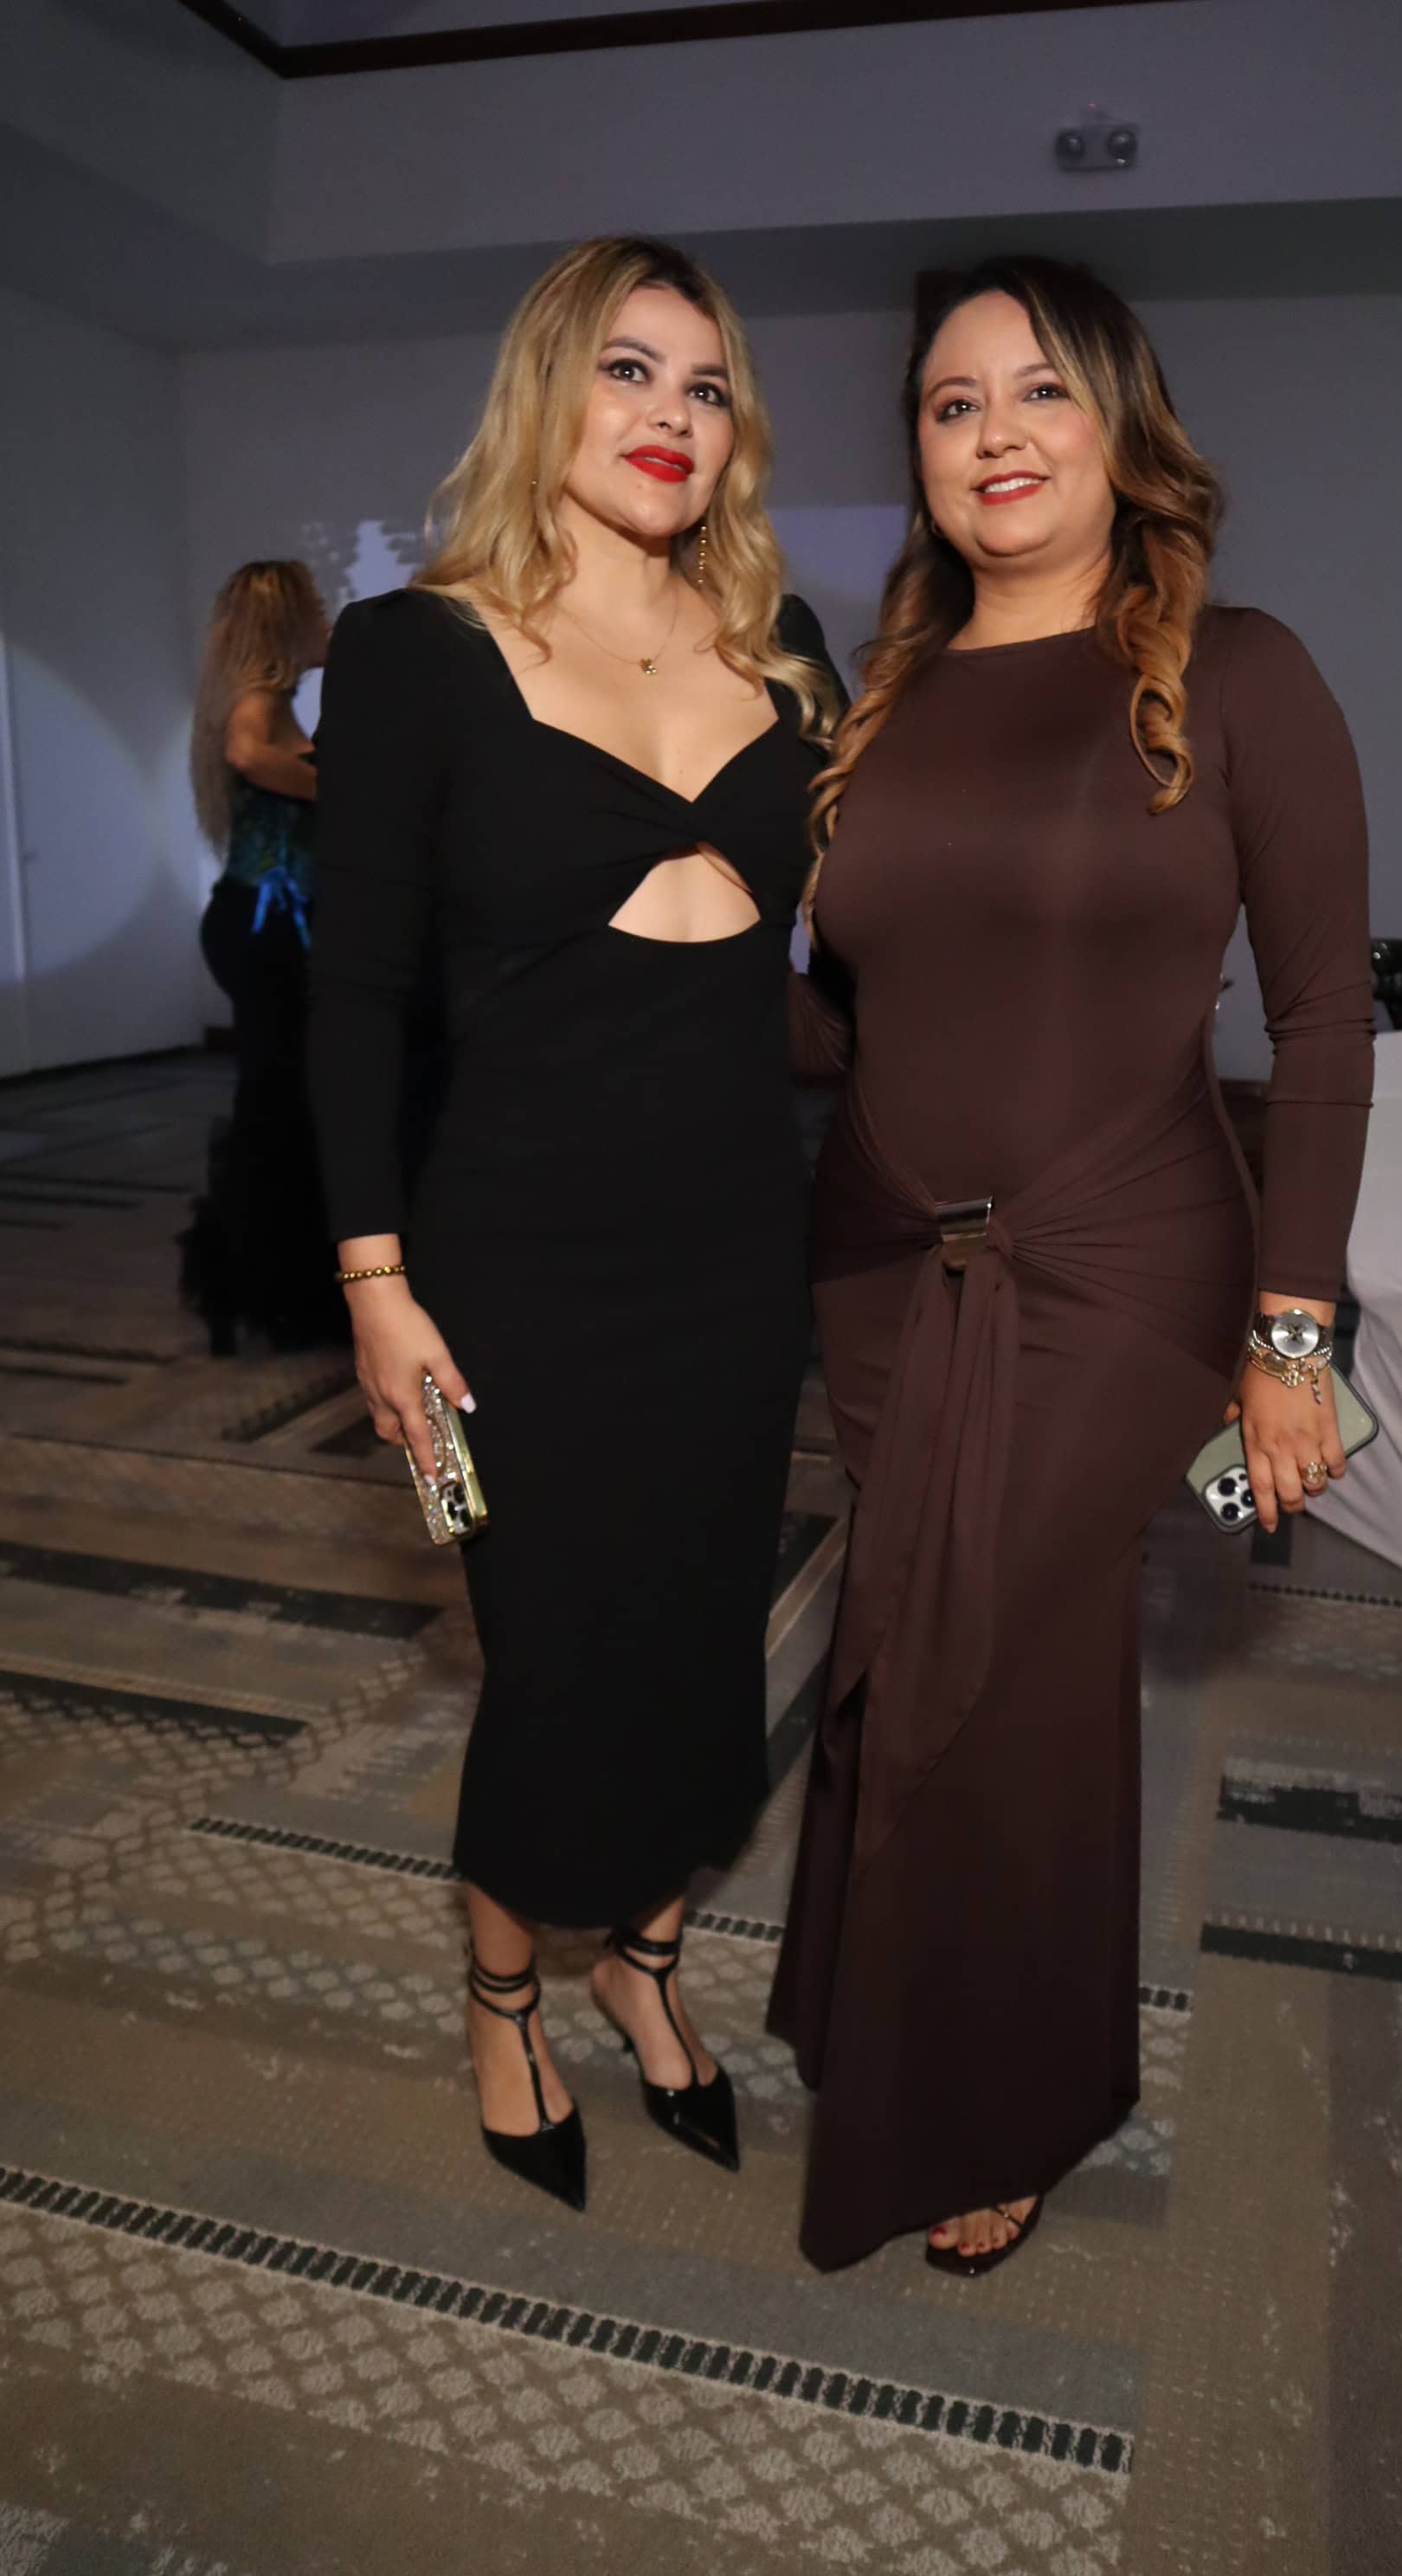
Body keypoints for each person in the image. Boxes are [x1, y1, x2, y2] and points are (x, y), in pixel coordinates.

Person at [769, 255, 1373, 2275]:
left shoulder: (1237, 671)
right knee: (900, 1645)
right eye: (951, 404)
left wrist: (1292, 1330)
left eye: (1038, 390)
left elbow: (1324, 1016)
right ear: (919, 453)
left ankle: (1008, 2095)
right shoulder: (883, 698)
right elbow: (846, 1018)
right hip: (881, 1258)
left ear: (1121, 421)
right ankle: (890, 2015)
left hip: (1121, 1258)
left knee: (996, 1667)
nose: (995, 434)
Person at [308, 237, 843, 2214]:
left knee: (703, 1633)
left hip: (736, 1249)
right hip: (510, 1261)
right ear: (549, 386)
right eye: (629, 370)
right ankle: (503, 1994)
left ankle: (645, 1962)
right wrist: (374, 1282)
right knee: (544, 1650)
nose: (670, 417)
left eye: (706, 385)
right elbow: (352, 996)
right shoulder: (414, 649)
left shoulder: (784, 645)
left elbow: (872, 935)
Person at [185, 559, 338, 1353]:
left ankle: (263, 1284)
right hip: (266, 926)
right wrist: (340, 790)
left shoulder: (272, 699)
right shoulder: (255, 703)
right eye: (316, 608)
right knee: (279, 1107)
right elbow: (248, 755)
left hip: (264, 923)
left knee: (284, 1102)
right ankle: (268, 1288)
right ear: (285, 622)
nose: (327, 619)